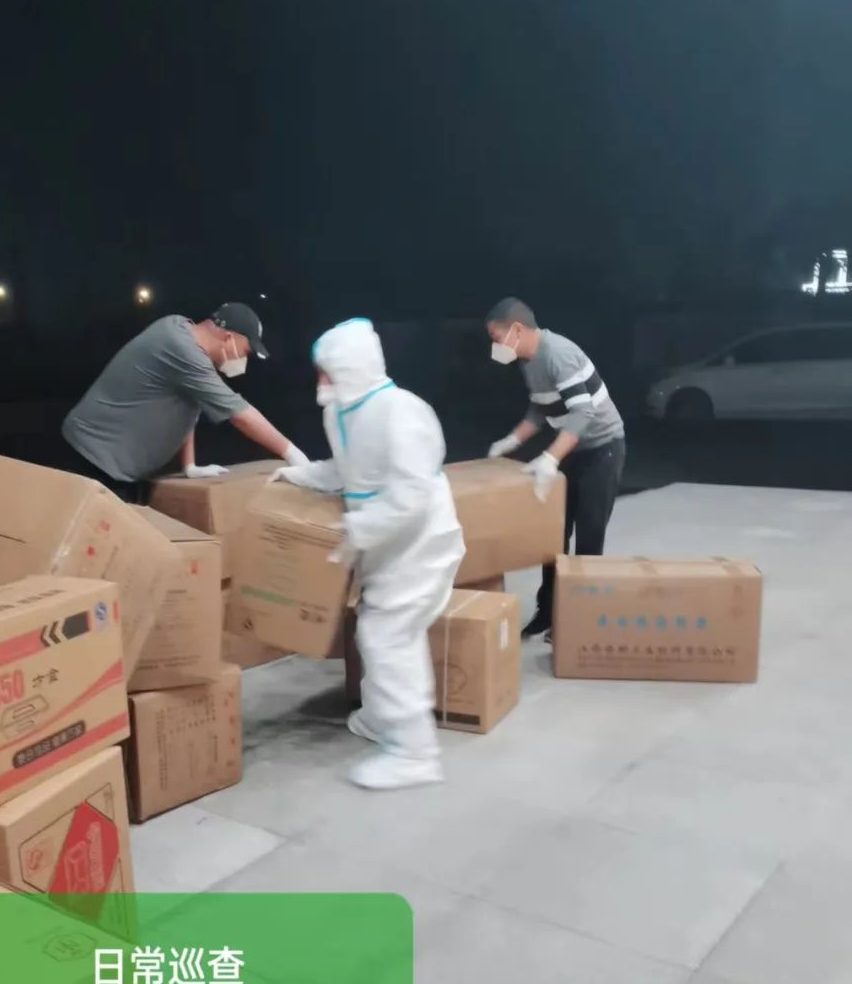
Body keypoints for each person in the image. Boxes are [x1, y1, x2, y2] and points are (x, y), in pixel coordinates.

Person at [273, 318, 464, 791]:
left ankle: (414, 753)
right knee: (379, 632)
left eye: (328, 371)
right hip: (387, 549)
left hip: (421, 545)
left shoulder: (402, 412)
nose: (321, 382)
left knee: (388, 637)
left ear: (352, 368)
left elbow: (412, 491)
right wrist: (301, 475)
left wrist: (360, 528)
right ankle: (384, 718)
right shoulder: (344, 412)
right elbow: (347, 470)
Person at [485, 297, 625, 640]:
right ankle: (547, 612)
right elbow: (539, 409)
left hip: (602, 448)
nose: (496, 347)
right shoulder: (528, 361)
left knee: (589, 535)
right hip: (572, 446)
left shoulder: (559, 354)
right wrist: (512, 440)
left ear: (517, 330)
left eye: (497, 338)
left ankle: (579, 618)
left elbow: (583, 413)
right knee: (552, 537)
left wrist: (550, 458)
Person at [61, 302, 308, 496]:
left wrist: (189, 466)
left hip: (112, 465)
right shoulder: (182, 349)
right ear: (229, 338)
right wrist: (293, 454)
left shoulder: (178, 327)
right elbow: (239, 414)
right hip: (91, 459)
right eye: (246, 351)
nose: (244, 359)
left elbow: (188, 406)